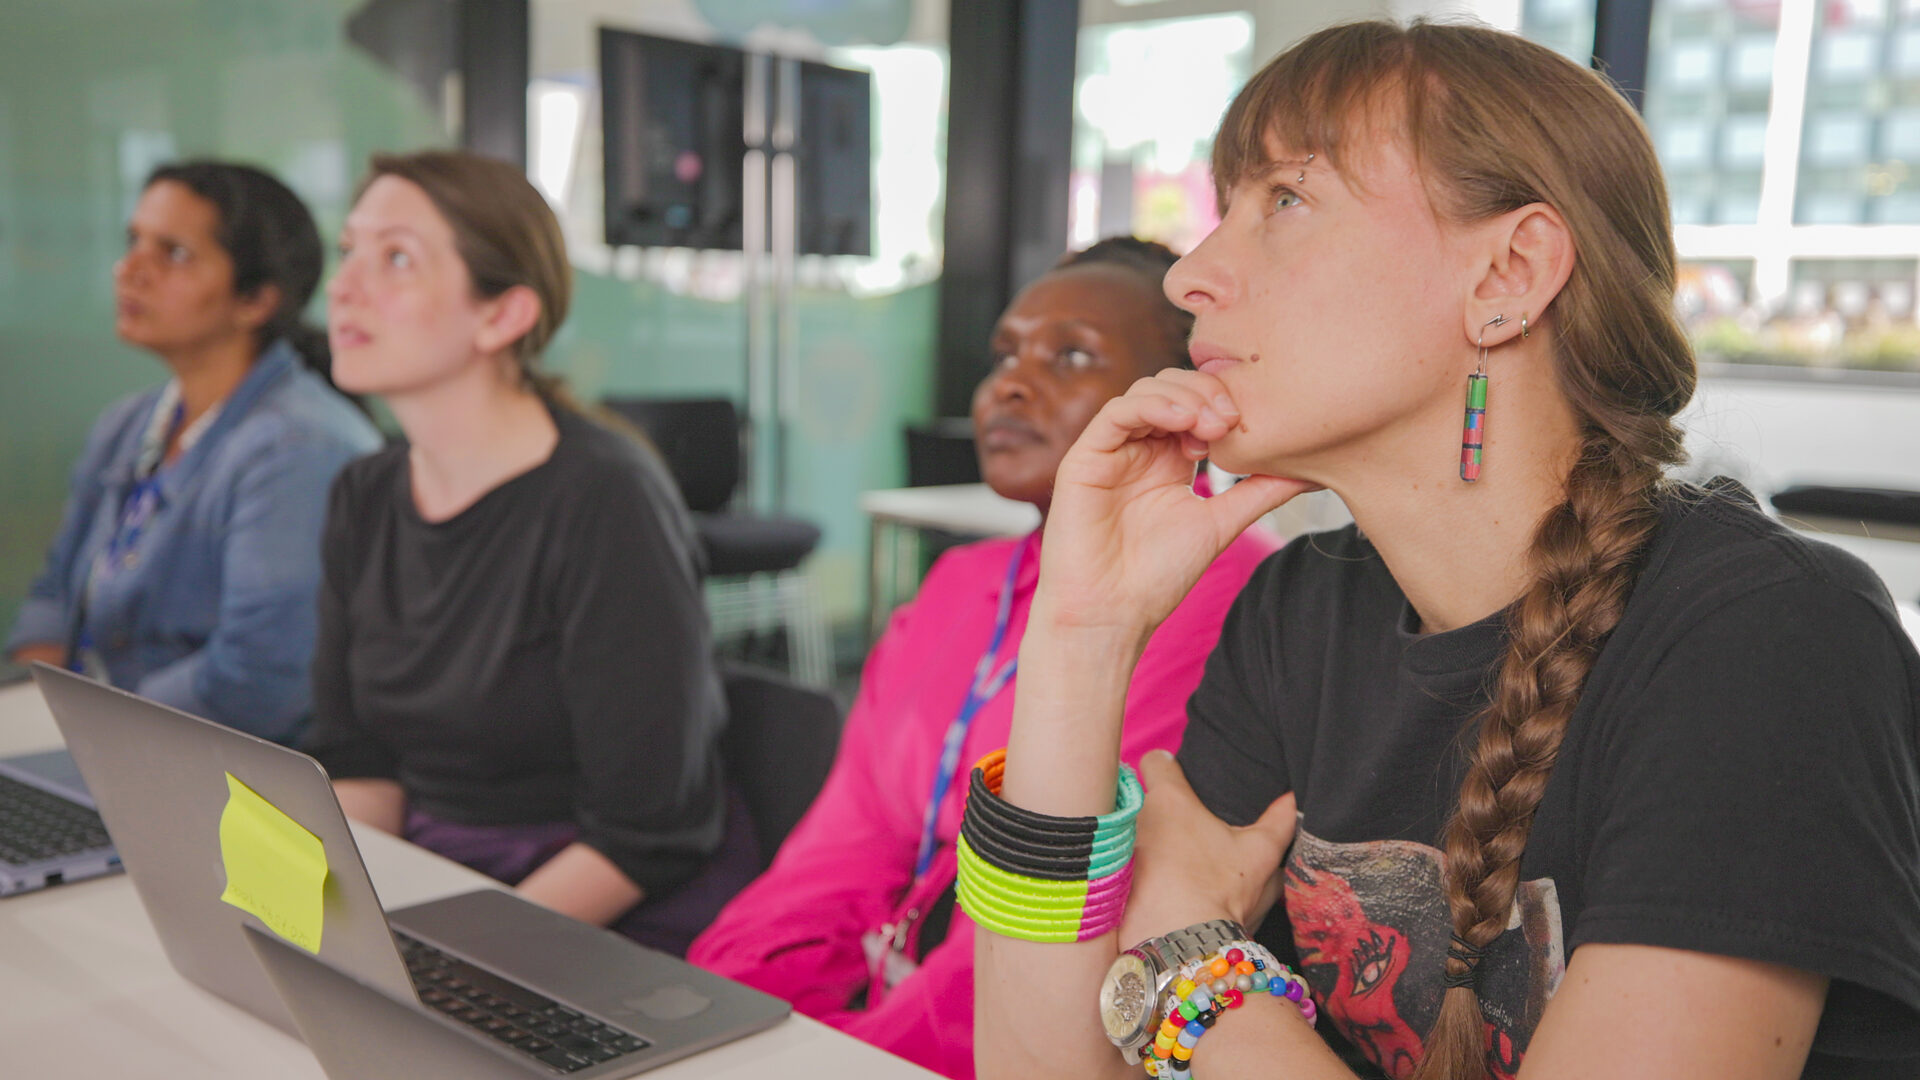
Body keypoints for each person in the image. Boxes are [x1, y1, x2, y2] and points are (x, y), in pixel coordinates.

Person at [976, 21, 1920, 1080]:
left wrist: (1199, 971)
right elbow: (1039, 1067)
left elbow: (1162, 975)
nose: (1190, 274)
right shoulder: (1300, 614)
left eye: (1286, 200)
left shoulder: (1767, 639)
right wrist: (1081, 634)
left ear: (1506, 274)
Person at [688, 238, 1281, 1078]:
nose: (1010, 382)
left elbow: (1059, 923)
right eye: (1003, 353)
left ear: (1180, 393)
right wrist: (721, 1019)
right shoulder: (962, 584)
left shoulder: (1225, 597)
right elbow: (842, 846)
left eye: (1070, 355)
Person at [302, 150, 749, 955]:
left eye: (395, 258)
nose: (344, 287)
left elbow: (648, 834)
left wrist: (447, 957)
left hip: (593, 905)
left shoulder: (605, 500)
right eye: (349, 253)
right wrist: (347, 925)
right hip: (431, 880)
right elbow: (358, 758)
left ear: (502, 315)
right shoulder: (363, 494)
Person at [6, 162, 380, 743]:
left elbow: (256, 680)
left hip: (211, 772)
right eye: (134, 242)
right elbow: (55, 593)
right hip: (94, 743)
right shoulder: (128, 423)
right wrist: (38, 715)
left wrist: (87, 730)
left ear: (255, 301)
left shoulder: (298, 449)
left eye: (174, 254)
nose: (131, 270)